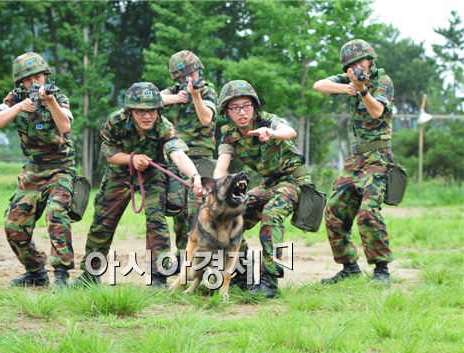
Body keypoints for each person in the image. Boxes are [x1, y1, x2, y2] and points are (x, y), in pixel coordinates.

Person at [76, 82, 203, 287]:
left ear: (158, 110)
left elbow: (178, 154)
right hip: (120, 171)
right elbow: (109, 153)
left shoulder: (164, 126)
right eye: (140, 111)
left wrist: (195, 176)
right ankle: (89, 275)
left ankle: (158, 276)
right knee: (103, 221)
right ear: (130, 111)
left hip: (153, 173)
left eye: (152, 110)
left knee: (156, 219)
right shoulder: (115, 122)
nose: (147, 116)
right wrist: (131, 159)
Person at [214, 80, 313, 298]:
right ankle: (242, 274)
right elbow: (221, 167)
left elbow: (290, 132)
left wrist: (272, 133)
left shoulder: (267, 120)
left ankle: (269, 279)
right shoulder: (229, 135)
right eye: (235, 107)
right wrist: (216, 190)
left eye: (246, 106)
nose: (242, 112)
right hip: (267, 184)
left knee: (271, 215)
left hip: (293, 180)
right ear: (226, 111)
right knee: (227, 218)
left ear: (254, 106)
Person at [0, 52, 76, 287]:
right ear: (20, 82)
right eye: (28, 79)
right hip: (33, 171)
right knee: (13, 224)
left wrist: (50, 102)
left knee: (56, 213)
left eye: (38, 76)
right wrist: (19, 107)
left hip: (61, 169)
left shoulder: (56, 96)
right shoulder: (14, 98)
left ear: (46, 76)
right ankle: (36, 272)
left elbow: (65, 125)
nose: (34, 82)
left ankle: (61, 274)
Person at [313, 39, 395, 285]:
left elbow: (376, 111)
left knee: (368, 212)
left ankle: (381, 271)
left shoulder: (383, 81)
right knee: (333, 211)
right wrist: (347, 87)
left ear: (371, 60)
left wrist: (362, 90)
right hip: (356, 158)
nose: (358, 66)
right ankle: (349, 268)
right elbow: (319, 85)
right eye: (352, 64)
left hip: (378, 157)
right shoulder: (349, 80)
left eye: (361, 61)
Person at [160, 50, 217, 256]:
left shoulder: (207, 92)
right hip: (178, 156)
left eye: (191, 75)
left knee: (199, 209)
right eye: (183, 77)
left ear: (199, 72)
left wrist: (195, 96)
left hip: (201, 158)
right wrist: (175, 98)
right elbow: (146, 100)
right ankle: (183, 253)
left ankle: (202, 256)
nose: (188, 79)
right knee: (178, 211)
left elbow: (206, 118)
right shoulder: (174, 91)